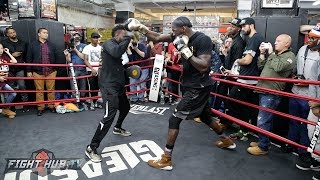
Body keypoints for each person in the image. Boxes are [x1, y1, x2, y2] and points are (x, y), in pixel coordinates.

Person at [125, 16, 232, 170]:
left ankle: (166, 159)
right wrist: (140, 28)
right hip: (191, 85)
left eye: (174, 30)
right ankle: (226, 140)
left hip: (198, 87)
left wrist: (184, 51)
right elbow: (156, 37)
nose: (172, 33)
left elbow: (203, 66)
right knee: (205, 116)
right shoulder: (178, 36)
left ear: (183, 28)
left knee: (174, 119)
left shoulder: (203, 40)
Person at [85, 25, 132, 163]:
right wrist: (129, 36)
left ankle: (117, 128)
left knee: (125, 108)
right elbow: (117, 53)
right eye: (124, 36)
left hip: (118, 85)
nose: (125, 39)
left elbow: (118, 62)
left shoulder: (118, 45)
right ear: (118, 35)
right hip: (108, 86)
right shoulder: (108, 44)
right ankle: (91, 148)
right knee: (108, 115)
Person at [216, 17, 264, 144]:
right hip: (244, 77)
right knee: (243, 106)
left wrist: (237, 61)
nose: (243, 29)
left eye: (244, 26)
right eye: (241, 27)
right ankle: (244, 129)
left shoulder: (253, 39)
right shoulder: (250, 39)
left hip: (247, 79)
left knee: (233, 101)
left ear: (251, 25)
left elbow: (246, 60)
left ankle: (242, 128)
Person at [247, 34, 296, 155]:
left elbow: (278, 67)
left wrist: (272, 53)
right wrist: (263, 54)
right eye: (275, 41)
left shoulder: (289, 56)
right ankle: (264, 142)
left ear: (287, 44)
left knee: (263, 121)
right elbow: (261, 66)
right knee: (266, 120)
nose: (275, 43)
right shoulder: (275, 55)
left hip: (272, 92)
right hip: (263, 90)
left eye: (278, 41)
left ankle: (263, 147)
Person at [288, 24, 320, 169]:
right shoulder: (302, 49)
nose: (309, 40)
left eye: (313, 38)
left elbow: (315, 80)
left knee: (308, 127)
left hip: (310, 97)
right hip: (296, 92)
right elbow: (296, 68)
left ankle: (306, 153)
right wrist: (295, 77)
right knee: (295, 122)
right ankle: (292, 145)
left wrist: (306, 84)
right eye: (309, 37)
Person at [26, 28, 58, 116]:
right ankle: (40, 107)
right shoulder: (32, 45)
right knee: (39, 90)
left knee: (51, 90)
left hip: (50, 71)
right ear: (39, 34)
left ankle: (51, 106)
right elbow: (28, 58)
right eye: (44, 33)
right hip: (37, 71)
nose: (46, 34)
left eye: (47, 33)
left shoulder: (52, 45)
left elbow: (56, 57)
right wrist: (29, 71)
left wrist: (55, 69)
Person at [1, 26, 29, 112]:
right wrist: (12, 55)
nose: (12, 34)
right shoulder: (3, 42)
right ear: (7, 34)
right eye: (10, 33)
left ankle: (25, 105)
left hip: (19, 67)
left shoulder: (23, 43)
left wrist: (27, 67)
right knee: (11, 87)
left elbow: (26, 55)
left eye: (13, 32)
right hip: (8, 69)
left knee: (22, 86)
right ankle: (11, 106)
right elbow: (2, 52)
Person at [63, 32, 87, 109]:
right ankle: (76, 102)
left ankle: (82, 101)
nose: (76, 38)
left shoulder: (84, 46)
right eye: (74, 36)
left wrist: (75, 50)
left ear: (80, 37)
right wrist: (67, 55)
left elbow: (84, 57)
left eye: (77, 36)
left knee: (83, 87)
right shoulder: (70, 46)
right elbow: (69, 60)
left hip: (82, 68)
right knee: (73, 87)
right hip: (73, 69)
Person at [82, 32, 102, 110]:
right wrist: (92, 69)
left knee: (98, 87)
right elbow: (85, 60)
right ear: (91, 38)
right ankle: (92, 103)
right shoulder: (87, 47)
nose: (96, 39)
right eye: (94, 37)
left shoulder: (100, 48)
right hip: (90, 70)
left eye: (97, 38)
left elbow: (102, 59)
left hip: (99, 70)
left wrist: (100, 66)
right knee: (91, 87)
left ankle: (96, 102)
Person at [0, 43, 17, 118]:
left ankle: (5, 110)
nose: (0, 50)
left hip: (5, 81)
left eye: (1, 48)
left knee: (9, 95)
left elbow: (15, 61)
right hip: (1, 81)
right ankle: (5, 110)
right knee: (10, 94)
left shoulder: (4, 57)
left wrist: (8, 52)